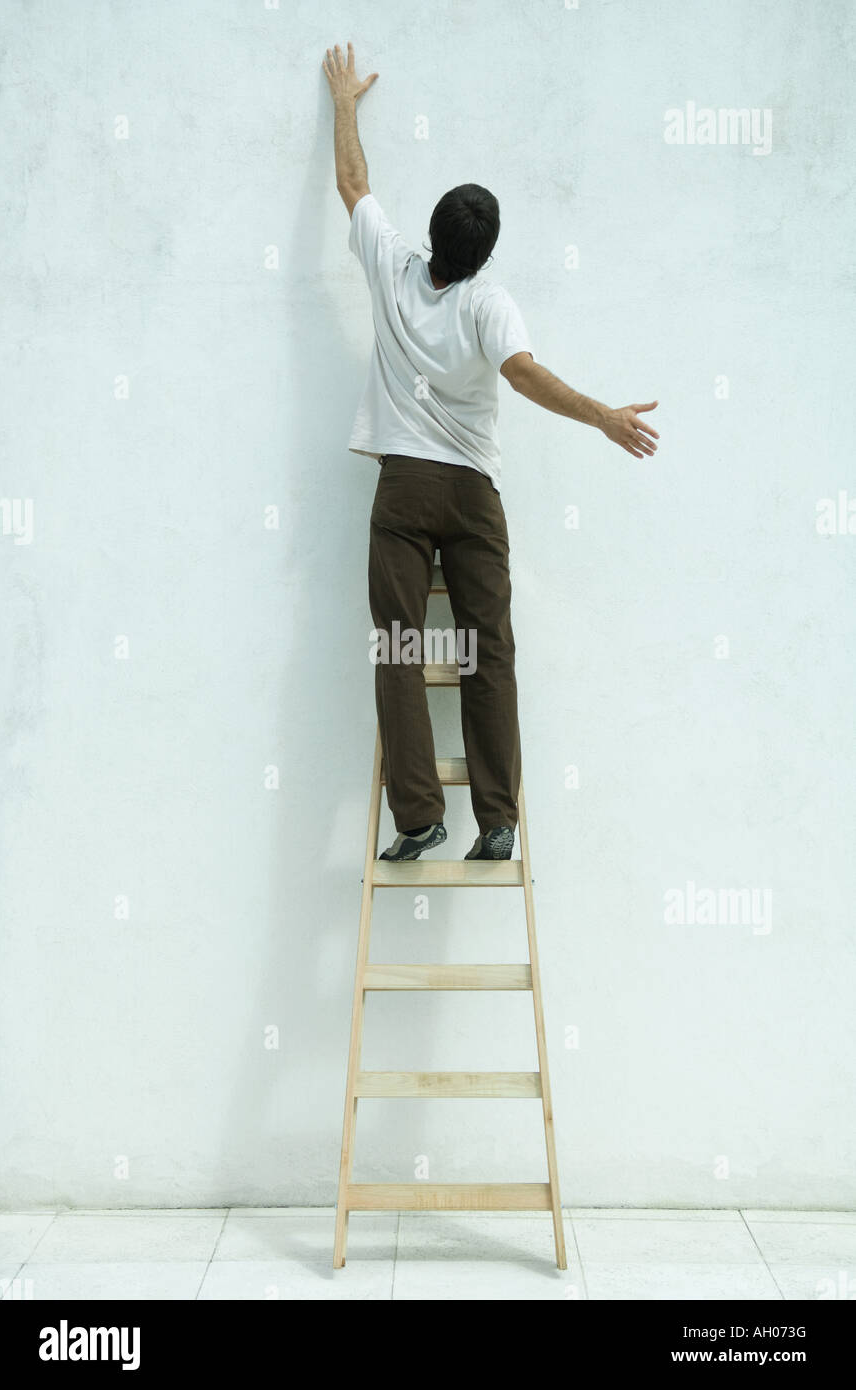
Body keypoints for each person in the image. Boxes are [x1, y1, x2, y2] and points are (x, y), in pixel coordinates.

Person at [323, 42, 660, 863]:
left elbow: (353, 186)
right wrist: (602, 417)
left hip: (402, 491)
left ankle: (417, 819)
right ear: (484, 252)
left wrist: (343, 101)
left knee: (399, 649)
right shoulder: (489, 303)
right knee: (488, 652)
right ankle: (498, 821)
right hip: (472, 495)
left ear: (432, 233)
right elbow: (524, 375)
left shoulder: (392, 268)